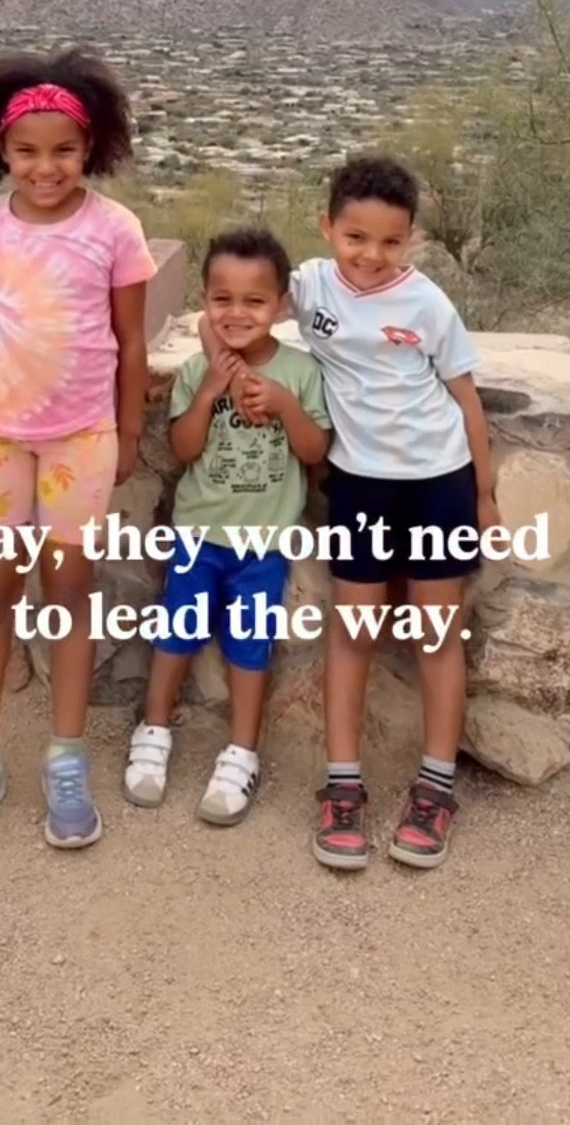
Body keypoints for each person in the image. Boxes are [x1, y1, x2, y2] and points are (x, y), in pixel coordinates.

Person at [200, 156, 496, 872]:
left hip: (438, 482)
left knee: (435, 633)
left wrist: (483, 496)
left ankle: (433, 787)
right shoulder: (306, 284)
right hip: (360, 483)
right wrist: (238, 378)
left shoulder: (428, 306)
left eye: (389, 242)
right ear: (327, 227)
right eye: (355, 237)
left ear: (412, 240)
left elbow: (466, 399)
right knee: (354, 630)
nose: (370, 255)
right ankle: (342, 786)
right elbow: (224, 315)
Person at [0, 47, 156, 859]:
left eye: (62, 150)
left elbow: (132, 340)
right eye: (26, 151)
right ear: (0, 150)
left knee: (70, 591)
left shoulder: (114, 230)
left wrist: (127, 434)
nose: (45, 167)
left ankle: (66, 758)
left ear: (90, 147)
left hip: (80, 438)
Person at [124, 228, 331, 825]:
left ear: (281, 304)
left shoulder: (299, 373)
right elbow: (184, 448)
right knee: (176, 635)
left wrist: (285, 407)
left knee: (249, 646)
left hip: (262, 543)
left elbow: (316, 450)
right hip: (198, 536)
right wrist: (214, 386)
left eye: (254, 300)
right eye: (223, 299)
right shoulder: (198, 373)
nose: (237, 312)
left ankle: (242, 752)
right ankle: (154, 730)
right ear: (206, 300)